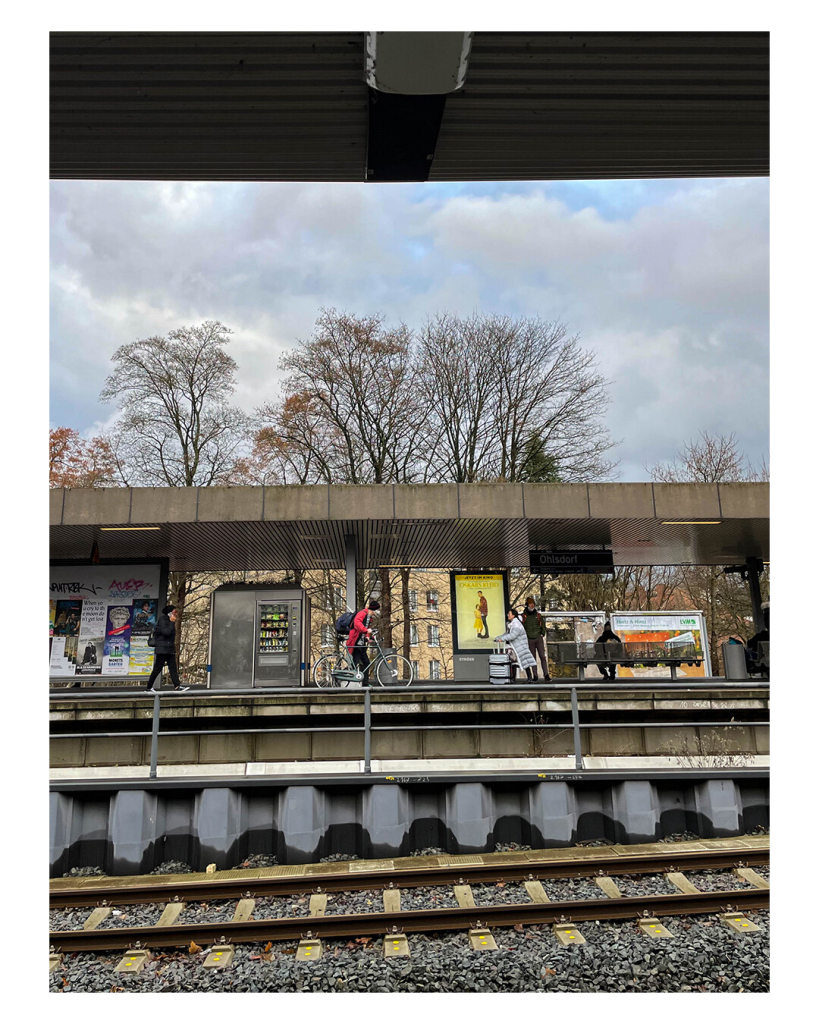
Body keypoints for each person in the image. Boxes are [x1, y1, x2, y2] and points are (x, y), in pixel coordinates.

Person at [145, 604, 189, 691]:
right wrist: (172, 623)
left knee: (173, 668)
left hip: (168, 649)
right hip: (163, 649)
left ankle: (177, 686)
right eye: (174, 612)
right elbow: (166, 632)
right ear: (169, 613)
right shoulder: (163, 620)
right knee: (157, 668)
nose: (175, 614)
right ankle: (149, 687)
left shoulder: (168, 620)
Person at [495, 606, 538, 682]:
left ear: (513, 615)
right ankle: (514, 678)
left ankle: (529, 678)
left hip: (520, 646)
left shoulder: (516, 624)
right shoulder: (512, 624)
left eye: (509, 614)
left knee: (523, 661)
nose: (508, 615)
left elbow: (512, 635)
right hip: (516, 646)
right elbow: (507, 634)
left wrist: (502, 639)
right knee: (514, 661)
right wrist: (498, 637)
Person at [347, 600, 380, 686]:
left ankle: (363, 683)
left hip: (360, 643)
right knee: (359, 662)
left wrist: (368, 637)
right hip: (356, 642)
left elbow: (367, 628)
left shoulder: (369, 617)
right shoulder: (363, 613)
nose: (375, 614)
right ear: (372, 610)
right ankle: (357, 682)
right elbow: (357, 623)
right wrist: (366, 631)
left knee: (363, 662)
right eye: (375, 611)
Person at [522, 596, 550, 681]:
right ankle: (535, 675)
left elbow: (543, 625)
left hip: (538, 638)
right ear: (527, 605)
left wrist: (542, 633)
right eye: (530, 604)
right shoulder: (524, 616)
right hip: (530, 639)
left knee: (542, 656)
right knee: (532, 658)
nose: (532, 606)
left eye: (533, 604)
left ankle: (546, 675)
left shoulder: (538, 615)